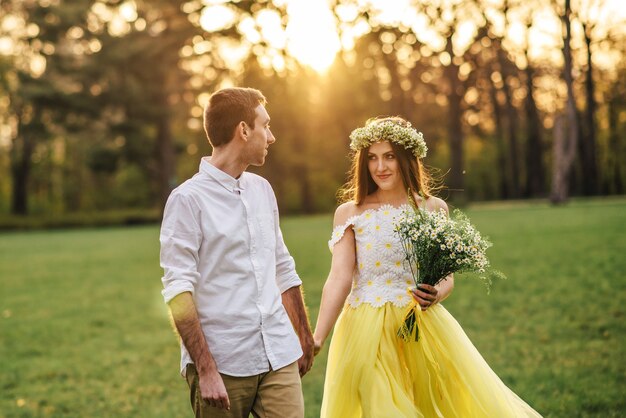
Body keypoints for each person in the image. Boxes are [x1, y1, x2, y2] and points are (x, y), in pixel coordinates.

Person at [313, 116, 542, 417]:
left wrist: (436, 293)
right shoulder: (350, 213)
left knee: (434, 405)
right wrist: (318, 336)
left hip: (420, 326)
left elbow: (446, 276)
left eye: (389, 156)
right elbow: (339, 277)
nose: (380, 167)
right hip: (364, 330)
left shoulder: (432, 208)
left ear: (407, 157)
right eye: (372, 158)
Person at [160, 87, 314, 418]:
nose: (271, 136)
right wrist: (206, 370)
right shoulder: (187, 200)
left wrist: (302, 335)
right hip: (224, 364)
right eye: (265, 125)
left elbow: (282, 266)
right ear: (243, 130)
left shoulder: (262, 190)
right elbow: (178, 291)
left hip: (278, 352)